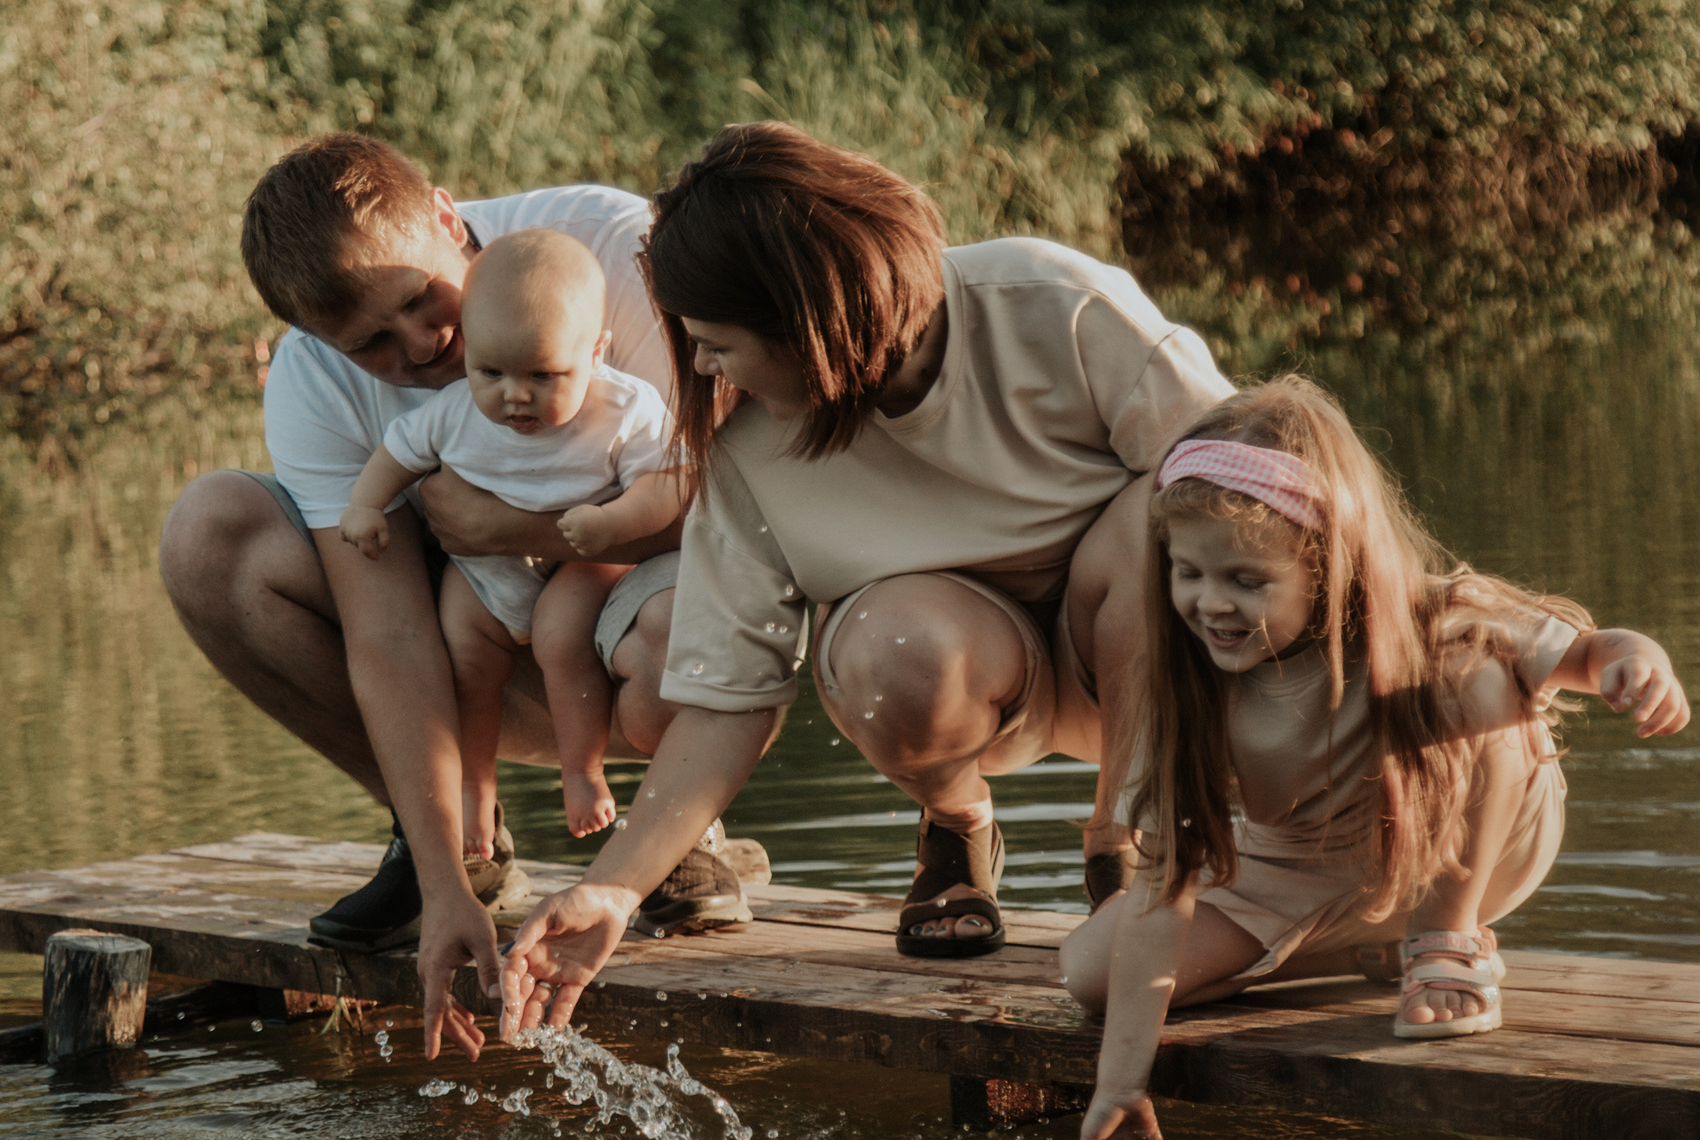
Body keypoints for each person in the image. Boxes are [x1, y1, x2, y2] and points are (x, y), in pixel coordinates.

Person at [501, 122, 1235, 1033]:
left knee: (1177, 500)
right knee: (895, 644)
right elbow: (726, 702)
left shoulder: (1051, 300)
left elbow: (1261, 484)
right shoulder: (748, 453)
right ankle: (958, 824)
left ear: (806, 315)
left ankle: (1126, 842)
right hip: (962, 681)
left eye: (717, 341)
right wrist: (611, 889)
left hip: (1148, 655)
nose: (698, 366)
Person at [161, 135, 755, 1062]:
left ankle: (673, 827)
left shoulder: (609, 249)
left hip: (636, 603)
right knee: (206, 535)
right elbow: (387, 631)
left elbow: (734, 508)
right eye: (369, 343)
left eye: (420, 302)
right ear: (319, 340)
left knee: (675, 626)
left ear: (447, 217)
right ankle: (453, 851)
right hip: (473, 635)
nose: (422, 347)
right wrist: (445, 883)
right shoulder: (315, 384)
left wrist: (511, 530)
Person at [1057, 378, 1690, 1140]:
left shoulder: (1427, 618)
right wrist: (1119, 1083)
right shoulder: (1186, 682)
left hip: (1459, 843)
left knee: (1482, 672)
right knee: (1091, 975)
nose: (1210, 603)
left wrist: (1637, 664)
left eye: (1246, 580)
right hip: (1297, 863)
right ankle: (1375, 945)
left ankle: (1442, 938)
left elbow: (1593, 655)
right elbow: (1164, 884)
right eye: (1189, 572)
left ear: (1331, 564)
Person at [337, 229, 689, 847]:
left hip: (587, 556)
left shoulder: (625, 409)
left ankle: (583, 772)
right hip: (489, 567)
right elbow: (398, 452)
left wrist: (612, 523)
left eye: (545, 375)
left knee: (561, 638)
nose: (514, 395)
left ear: (596, 352)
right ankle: (477, 791)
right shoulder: (455, 412)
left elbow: (667, 486)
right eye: (491, 371)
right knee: (466, 657)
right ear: (470, 350)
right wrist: (366, 505)